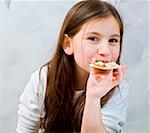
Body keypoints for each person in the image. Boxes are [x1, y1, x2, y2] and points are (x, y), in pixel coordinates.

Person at [16, 0, 129, 133]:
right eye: (92, 38)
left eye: (113, 40)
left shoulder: (117, 87)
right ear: (68, 44)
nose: (105, 51)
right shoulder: (42, 80)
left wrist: (94, 98)